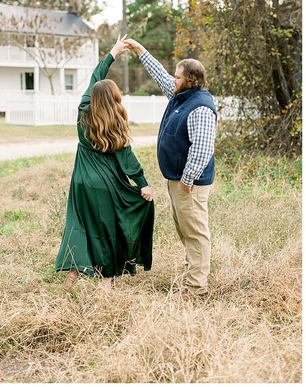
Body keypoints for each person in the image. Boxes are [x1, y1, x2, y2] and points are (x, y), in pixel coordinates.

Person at [56, 36, 155, 292]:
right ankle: (106, 283)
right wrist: (142, 184)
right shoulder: (116, 125)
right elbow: (127, 159)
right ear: (113, 99)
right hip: (106, 184)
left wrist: (112, 53)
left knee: (79, 225)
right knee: (108, 229)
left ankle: (72, 277)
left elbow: (94, 78)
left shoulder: (83, 113)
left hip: (81, 182)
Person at [125, 38, 217, 298]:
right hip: (178, 180)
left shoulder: (200, 106)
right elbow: (161, 76)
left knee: (196, 233)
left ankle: (197, 289)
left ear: (191, 80)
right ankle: (192, 278)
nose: (172, 80)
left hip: (190, 184)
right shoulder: (181, 96)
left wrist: (187, 180)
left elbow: (202, 149)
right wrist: (141, 50)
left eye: (178, 77)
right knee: (186, 230)